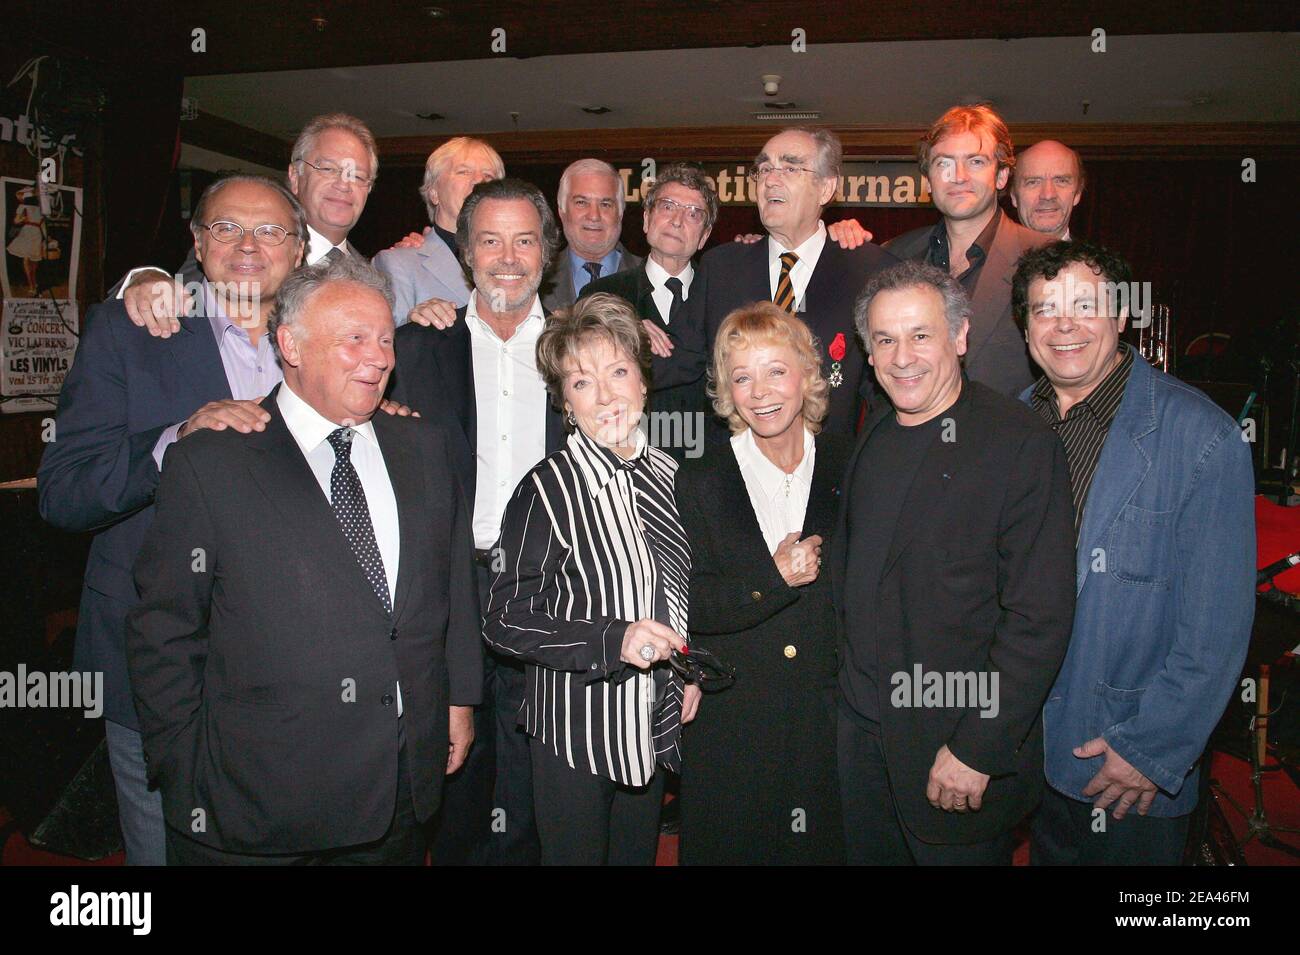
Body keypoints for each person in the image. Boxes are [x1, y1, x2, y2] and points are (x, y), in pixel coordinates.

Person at [124, 255, 481, 864]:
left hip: (395, 790)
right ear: (289, 344)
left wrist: (457, 702)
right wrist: (184, 767)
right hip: (251, 804)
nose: (380, 357)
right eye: (354, 340)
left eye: (386, 339)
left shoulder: (424, 446)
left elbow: (450, 589)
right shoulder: (212, 461)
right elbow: (166, 631)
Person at [37, 174, 307, 865]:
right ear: (196, 242)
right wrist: (172, 440)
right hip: (159, 665)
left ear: (300, 250)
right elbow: (63, 493)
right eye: (226, 228)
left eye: (271, 230)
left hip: (290, 669)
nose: (248, 246)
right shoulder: (129, 331)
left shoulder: (327, 344)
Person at [1012, 241, 1255, 865]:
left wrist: (1152, 750)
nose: (1063, 325)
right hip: (1022, 752)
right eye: (1044, 309)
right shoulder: (1011, 425)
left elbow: (1217, 628)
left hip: (1122, 766)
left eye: (1084, 306)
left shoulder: (1202, 436)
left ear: (1121, 317)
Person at [833, 260, 1076, 864]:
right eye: (884, 340)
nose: (902, 356)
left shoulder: (1020, 443)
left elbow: (1038, 618)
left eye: (921, 335)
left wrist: (978, 748)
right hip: (865, 750)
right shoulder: (877, 433)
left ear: (961, 338)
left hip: (954, 757)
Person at [482, 292, 699, 865]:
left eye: (619, 372)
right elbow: (503, 620)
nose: (605, 395)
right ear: (564, 404)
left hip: (650, 728)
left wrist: (688, 669)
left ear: (644, 383)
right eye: (581, 383)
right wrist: (614, 638)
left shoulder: (673, 476)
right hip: (574, 735)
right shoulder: (544, 490)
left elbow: (680, 591)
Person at [388, 177, 564, 865]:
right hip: (448, 587)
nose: (508, 256)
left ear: (547, 251)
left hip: (549, 587)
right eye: (490, 240)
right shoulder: (413, 349)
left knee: (533, 777)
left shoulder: (580, 349)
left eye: (524, 239)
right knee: (452, 767)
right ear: (465, 253)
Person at [675, 302, 848, 864]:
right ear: (725, 390)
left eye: (776, 370)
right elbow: (687, 604)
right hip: (733, 731)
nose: (759, 390)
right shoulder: (699, 475)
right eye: (741, 376)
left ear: (806, 374)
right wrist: (771, 578)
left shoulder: (851, 464)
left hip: (828, 727)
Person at [691, 127, 897, 437]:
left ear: (826, 189)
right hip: (735, 470)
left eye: (789, 167)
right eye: (763, 169)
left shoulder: (872, 272)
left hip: (830, 474)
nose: (770, 180)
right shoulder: (720, 267)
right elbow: (693, 374)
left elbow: (886, 390)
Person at [114, 112, 380, 335]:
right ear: (295, 176)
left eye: (357, 176)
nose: (343, 184)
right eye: (328, 169)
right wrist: (145, 278)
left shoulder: (375, 278)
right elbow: (167, 295)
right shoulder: (244, 252)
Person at [884, 105, 1052, 397]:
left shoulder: (1046, 259)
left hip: (1008, 438)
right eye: (943, 163)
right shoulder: (892, 256)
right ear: (928, 181)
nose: (958, 176)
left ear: (1001, 177)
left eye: (975, 162)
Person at [580, 162, 715, 461]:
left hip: (707, 468)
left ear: (704, 236)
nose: (678, 220)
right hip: (622, 463)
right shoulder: (600, 297)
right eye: (668, 206)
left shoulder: (721, 296)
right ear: (646, 219)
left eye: (693, 213)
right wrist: (623, 328)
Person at [373, 136, 504, 325]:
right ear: (434, 192)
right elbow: (387, 341)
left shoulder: (514, 260)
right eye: (463, 172)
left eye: (488, 176)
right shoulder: (398, 264)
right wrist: (414, 323)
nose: (479, 182)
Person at [541, 158, 644, 312]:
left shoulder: (650, 277)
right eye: (581, 202)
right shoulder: (538, 278)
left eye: (605, 204)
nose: (594, 216)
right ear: (561, 211)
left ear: (621, 213)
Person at [1010, 140, 1085, 240]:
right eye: (1033, 182)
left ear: (1078, 193)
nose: (1048, 195)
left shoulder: (1100, 256)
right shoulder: (990, 255)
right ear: (1014, 196)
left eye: (1061, 181)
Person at [7, 185, 44, 294]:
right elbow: (42, 225)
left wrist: (22, 219)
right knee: (32, 260)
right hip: (34, 234)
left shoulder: (23, 207)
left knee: (29, 260)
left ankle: (32, 285)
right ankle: (33, 285)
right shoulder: (38, 209)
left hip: (30, 232)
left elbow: (16, 221)